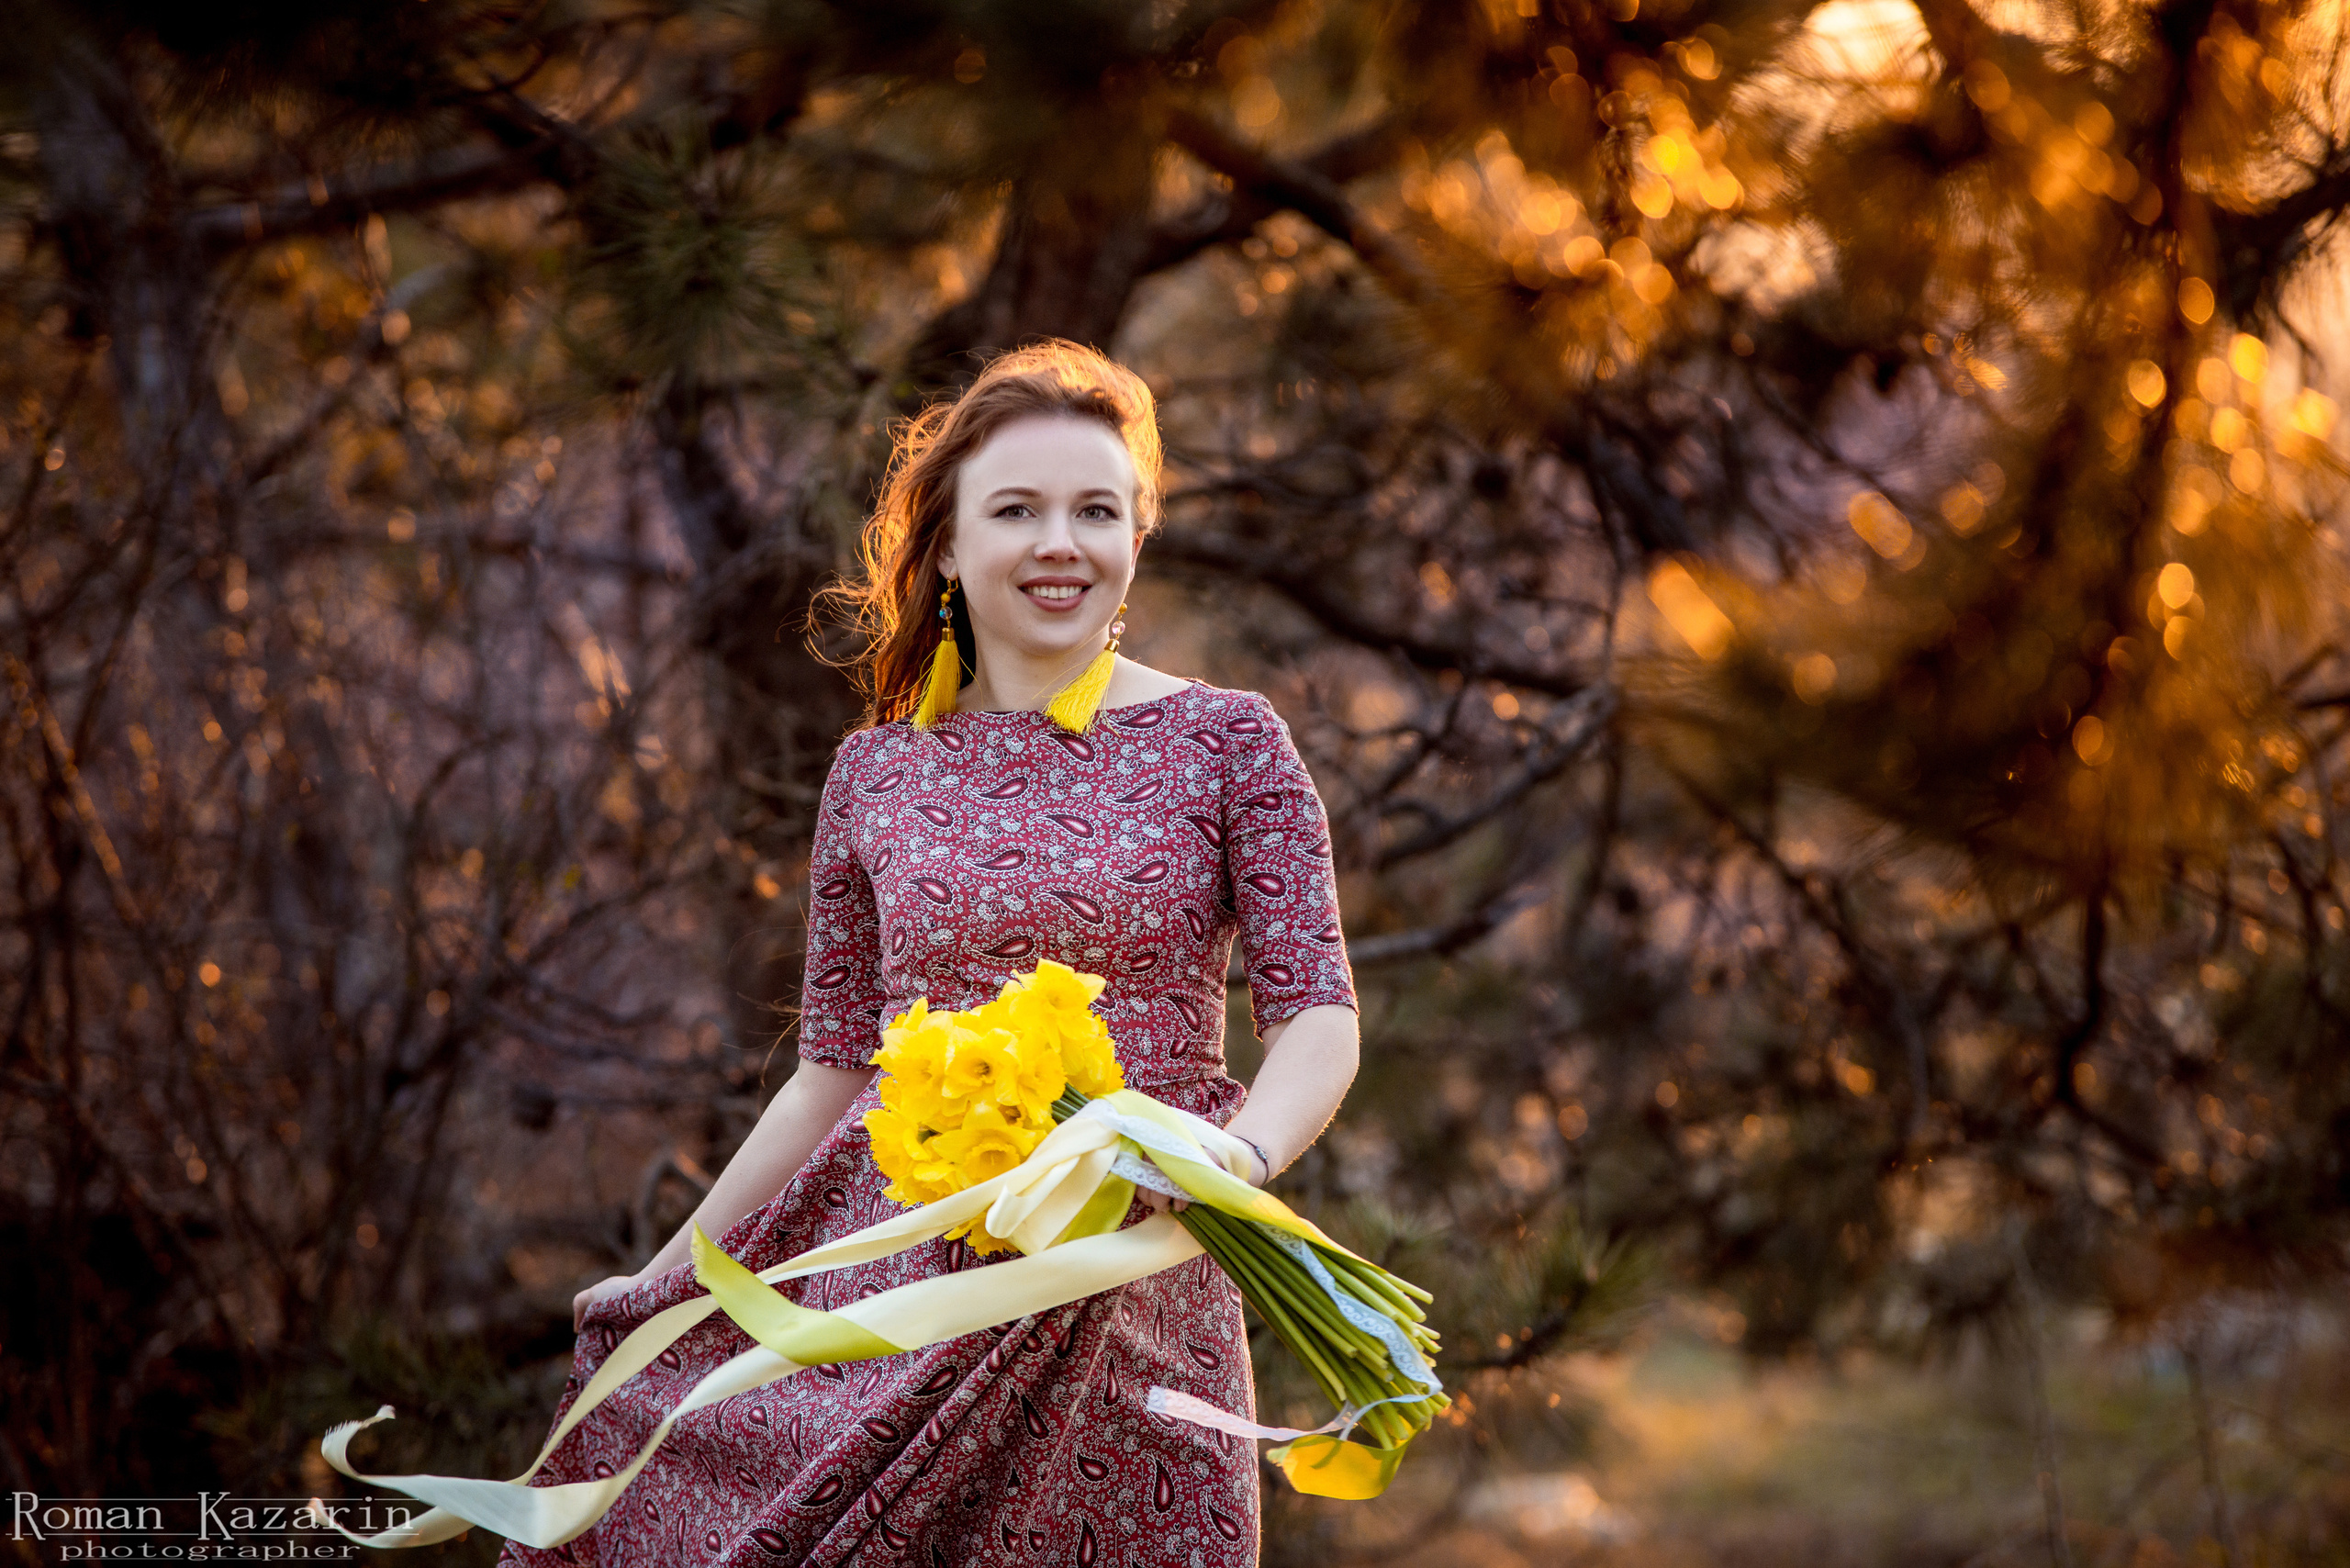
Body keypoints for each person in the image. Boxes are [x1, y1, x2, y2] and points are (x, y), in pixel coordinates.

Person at [507, 341, 1360, 1568]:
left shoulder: (1231, 743)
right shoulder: (874, 772)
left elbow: (1319, 1016)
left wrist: (1233, 1156)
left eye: (1096, 511)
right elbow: (832, 1070)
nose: (1058, 541)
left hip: (1141, 1291)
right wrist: (666, 1281)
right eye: (1017, 510)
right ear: (950, 545)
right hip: (895, 1301)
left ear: (1137, 536)